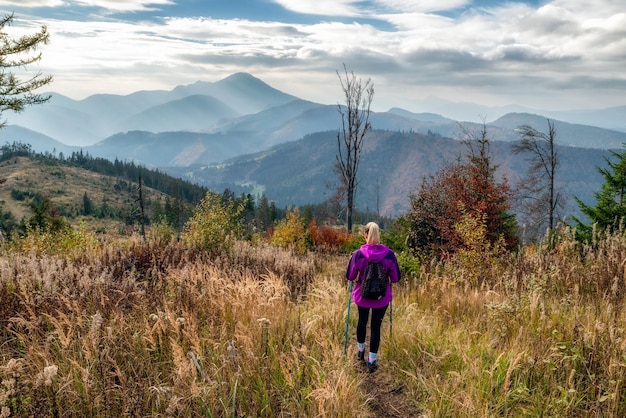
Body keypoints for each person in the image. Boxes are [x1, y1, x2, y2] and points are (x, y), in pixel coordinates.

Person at [345, 221, 400, 372]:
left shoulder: (357, 255)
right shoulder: (389, 255)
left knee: (362, 322)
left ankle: (360, 351)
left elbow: (350, 276)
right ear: (379, 235)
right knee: (376, 326)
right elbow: (395, 278)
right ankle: (372, 360)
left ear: (365, 235)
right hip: (381, 298)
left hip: (362, 296)